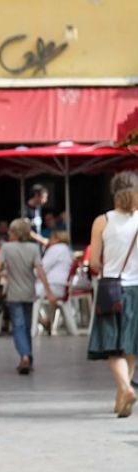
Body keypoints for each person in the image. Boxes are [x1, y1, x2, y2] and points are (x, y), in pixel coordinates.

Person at [87, 171, 138, 418]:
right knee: (130, 347)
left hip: (111, 289)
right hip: (137, 290)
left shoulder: (103, 221)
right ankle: (120, 399)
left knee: (113, 348)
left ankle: (126, 389)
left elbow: (94, 262)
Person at [0, 218, 56, 374]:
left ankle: (24, 355)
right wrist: (48, 291)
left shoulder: (6, 248)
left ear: (14, 233)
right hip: (29, 292)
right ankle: (28, 357)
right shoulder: (33, 248)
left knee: (18, 327)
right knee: (26, 326)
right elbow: (40, 271)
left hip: (14, 293)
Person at [35, 230, 74, 332]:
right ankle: (43, 320)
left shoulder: (55, 249)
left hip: (53, 286)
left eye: (51, 238)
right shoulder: (68, 250)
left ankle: (41, 321)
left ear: (57, 238)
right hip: (62, 286)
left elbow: (42, 268)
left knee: (23, 294)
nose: (49, 240)